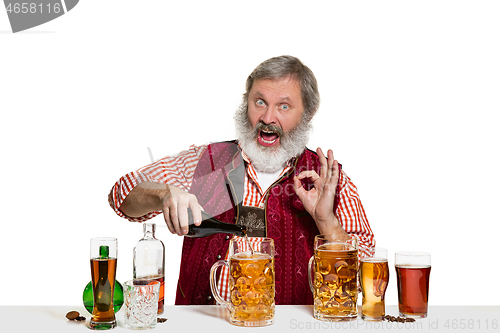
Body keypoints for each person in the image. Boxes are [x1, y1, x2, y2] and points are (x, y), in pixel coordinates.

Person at [109, 55, 375, 305]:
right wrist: (163, 193)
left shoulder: (329, 178)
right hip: (200, 327)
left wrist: (325, 220)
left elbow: (366, 280)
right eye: (260, 102)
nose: (268, 118)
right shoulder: (208, 160)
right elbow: (122, 194)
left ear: (307, 114)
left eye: (284, 106)